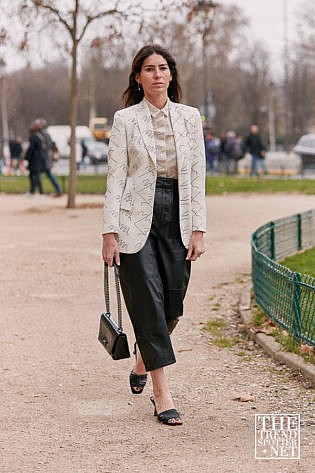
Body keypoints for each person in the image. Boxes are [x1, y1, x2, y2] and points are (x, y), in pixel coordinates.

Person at [102, 44, 206, 426]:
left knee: (172, 305)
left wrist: (198, 229)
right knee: (147, 300)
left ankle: (144, 357)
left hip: (178, 214)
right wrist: (109, 234)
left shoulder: (190, 117)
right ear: (138, 77)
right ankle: (162, 395)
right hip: (135, 219)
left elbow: (197, 177)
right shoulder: (125, 119)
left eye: (163, 68)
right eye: (149, 69)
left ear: (172, 75)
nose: (157, 74)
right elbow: (115, 178)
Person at [38, 118, 62, 196]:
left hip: (44, 159)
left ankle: (40, 192)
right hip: (46, 158)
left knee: (37, 175)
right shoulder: (46, 133)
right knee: (46, 175)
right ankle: (58, 189)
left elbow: (47, 146)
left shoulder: (43, 134)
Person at [24, 119, 46, 195]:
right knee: (35, 175)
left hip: (35, 158)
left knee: (35, 175)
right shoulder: (40, 135)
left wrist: (26, 157)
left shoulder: (34, 136)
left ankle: (37, 191)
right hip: (38, 158)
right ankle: (35, 191)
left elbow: (31, 148)